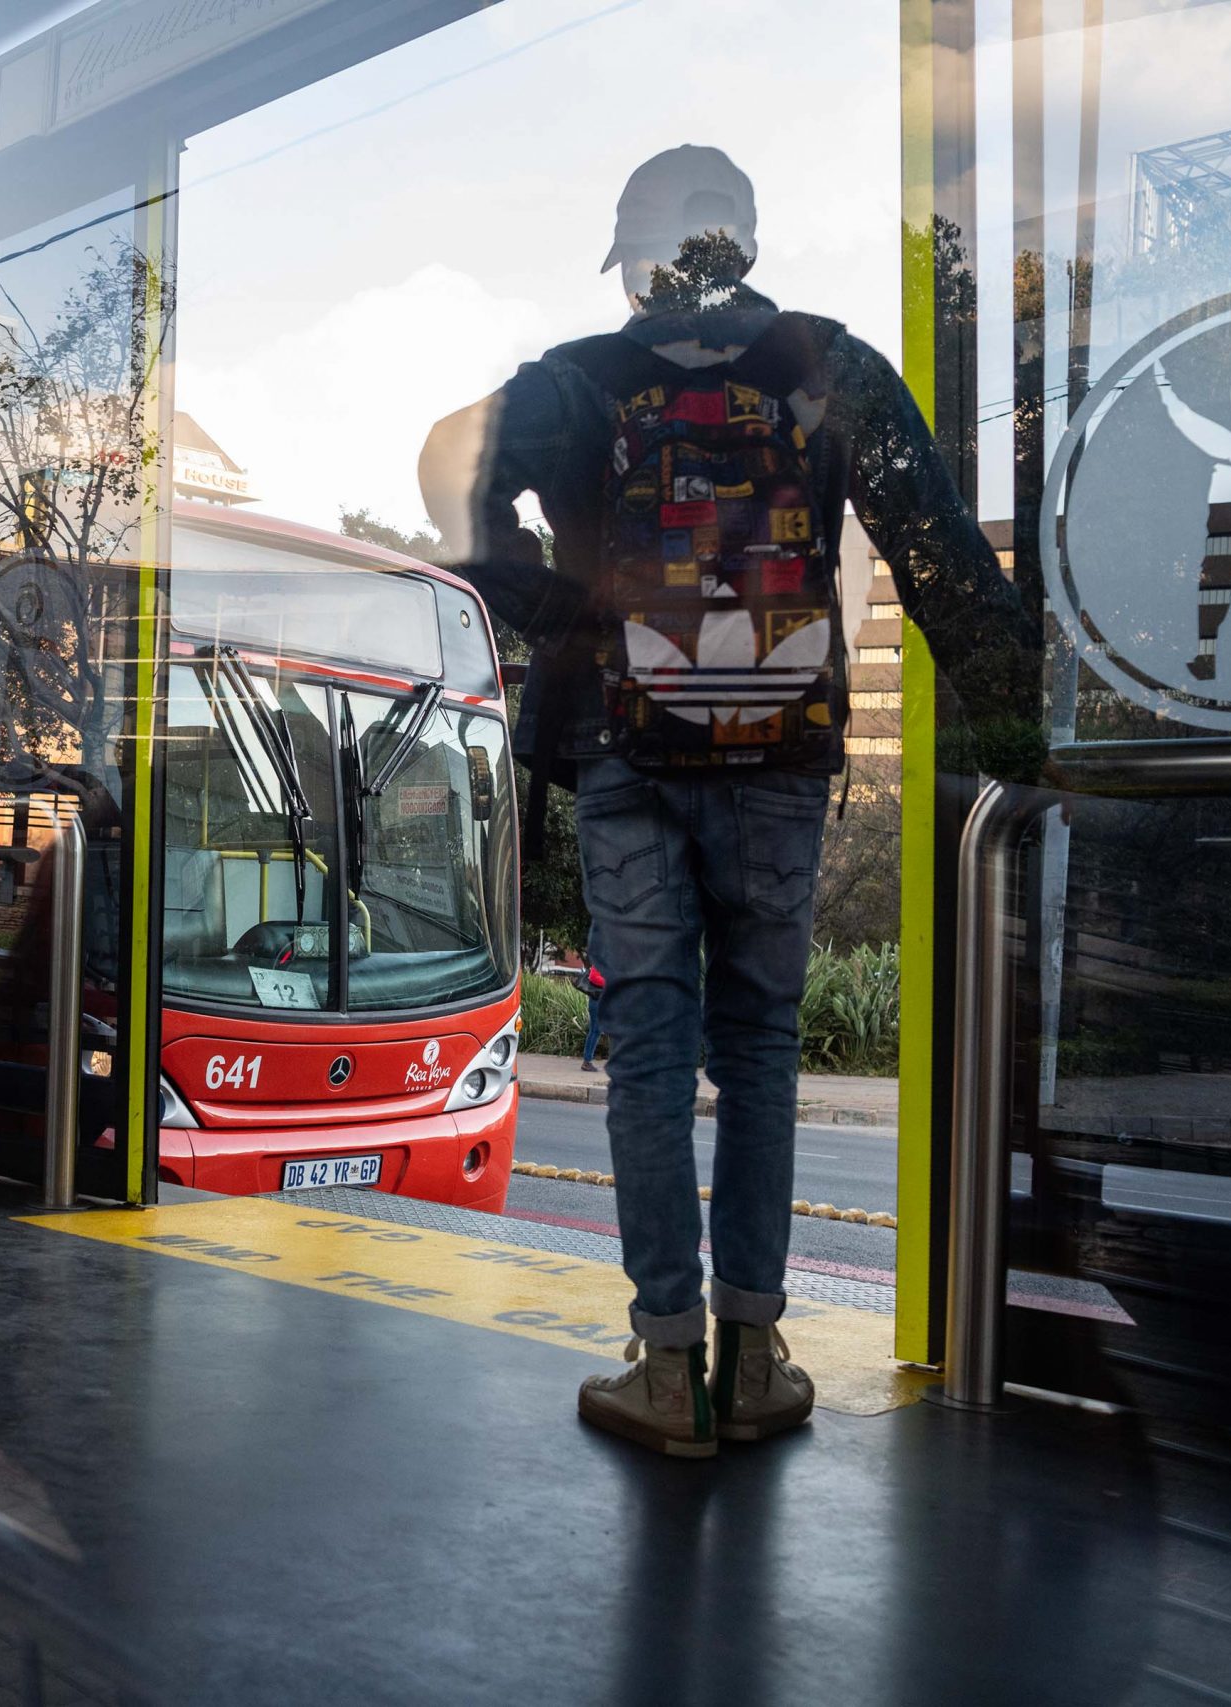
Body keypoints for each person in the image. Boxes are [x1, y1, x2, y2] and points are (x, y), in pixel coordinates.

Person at [419, 145, 1039, 1457]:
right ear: (743, 243)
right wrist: (1024, 740)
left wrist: (584, 610)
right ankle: (758, 1355)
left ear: (645, 258)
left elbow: (477, 526)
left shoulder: (572, 377)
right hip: (779, 744)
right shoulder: (835, 365)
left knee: (648, 1035)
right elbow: (935, 549)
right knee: (759, 1040)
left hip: (627, 748)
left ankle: (666, 1361)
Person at [579, 962, 606, 1073]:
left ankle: (587, 1060)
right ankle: (587, 1062)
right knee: (595, 1030)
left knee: (597, 1030)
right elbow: (594, 977)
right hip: (597, 1001)